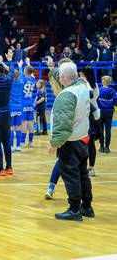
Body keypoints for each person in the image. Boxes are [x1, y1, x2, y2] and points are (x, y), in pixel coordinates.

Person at [49, 61, 94, 221]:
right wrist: (53, 68)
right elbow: (67, 73)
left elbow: (63, 124)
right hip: (83, 138)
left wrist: (55, 143)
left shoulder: (66, 95)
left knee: (71, 175)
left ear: (62, 78)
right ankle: (87, 207)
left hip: (70, 141)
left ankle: (74, 209)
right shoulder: (82, 86)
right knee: (83, 174)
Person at [80, 67, 100, 177]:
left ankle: (88, 168)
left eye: (82, 74)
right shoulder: (95, 85)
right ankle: (90, 167)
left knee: (87, 143)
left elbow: (89, 97)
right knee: (89, 143)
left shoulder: (87, 86)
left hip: (88, 116)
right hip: (92, 116)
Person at [98, 75, 117, 153]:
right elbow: (116, 100)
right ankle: (107, 147)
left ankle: (101, 146)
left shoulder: (99, 90)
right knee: (108, 129)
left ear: (103, 81)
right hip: (109, 111)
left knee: (100, 129)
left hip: (101, 111)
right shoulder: (113, 91)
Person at [20, 60, 37, 147]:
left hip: (23, 102)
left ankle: (22, 142)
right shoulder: (33, 79)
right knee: (30, 123)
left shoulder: (24, 78)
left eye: (24, 70)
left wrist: (21, 66)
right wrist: (28, 63)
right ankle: (30, 142)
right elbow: (32, 72)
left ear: (26, 72)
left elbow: (20, 74)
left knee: (23, 123)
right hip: (30, 102)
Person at [9, 62, 24, 152]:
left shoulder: (10, 82)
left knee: (10, 127)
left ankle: (11, 146)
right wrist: (20, 66)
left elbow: (11, 73)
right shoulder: (21, 81)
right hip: (19, 107)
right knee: (18, 127)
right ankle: (18, 146)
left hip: (11, 107)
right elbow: (21, 74)